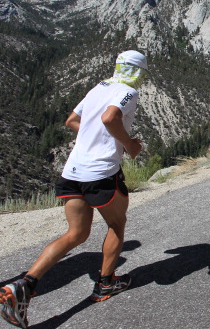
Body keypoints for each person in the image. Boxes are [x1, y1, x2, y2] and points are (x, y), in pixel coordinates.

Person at [0, 50, 149, 328]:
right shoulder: (128, 91)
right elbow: (110, 118)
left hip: (72, 173)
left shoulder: (99, 87)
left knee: (76, 233)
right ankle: (105, 284)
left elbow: (72, 121)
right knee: (116, 224)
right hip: (101, 173)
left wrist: (96, 138)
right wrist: (129, 145)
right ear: (140, 72)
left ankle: (24, 284)